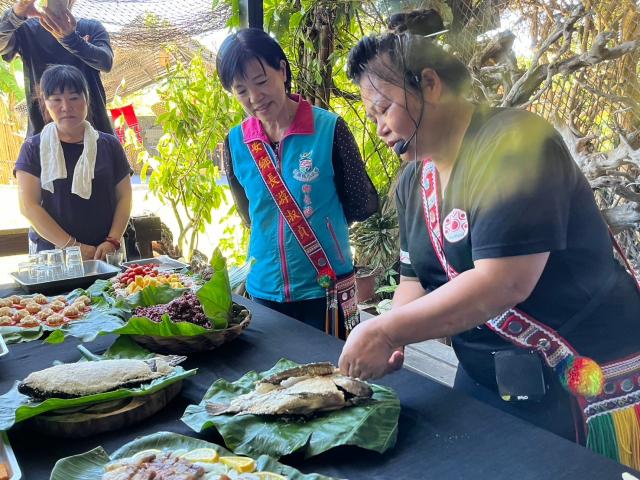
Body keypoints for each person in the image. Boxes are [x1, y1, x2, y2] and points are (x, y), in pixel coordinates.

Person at [338, 32, 640, 464]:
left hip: (576, 379)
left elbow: (504, 282)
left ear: (429, 84)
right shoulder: (412, 182)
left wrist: (385, 331)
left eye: (384, 108)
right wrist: (396, 337)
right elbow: (412, 280)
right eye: (372, 116)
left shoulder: (514, 143)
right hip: (484, 377)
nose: (380, 127)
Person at [217, 28, 378, 337]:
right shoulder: (234, 142)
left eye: (261, 82)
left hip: (325, 291)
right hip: (264, 291)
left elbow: (361, 203)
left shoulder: (329, 129)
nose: (255, 98)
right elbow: (250, 215)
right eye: (241, 90)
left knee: (333, 379)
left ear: (282, 69)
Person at [14, 64, 132, 260]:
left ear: (87, 100)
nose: (66, 107)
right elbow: (29, 206)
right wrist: (73, 247)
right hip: (54, 257)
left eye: (74, 98)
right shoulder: (32, 148)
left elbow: (124, 197)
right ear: (45, 102)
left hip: (105, 253)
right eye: (56, 99)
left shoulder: (109, 145)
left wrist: (112, 240)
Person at [0, 0, 114, 135]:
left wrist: (71, 39)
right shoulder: (27, 30)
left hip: (95, 132)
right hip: (42, 136)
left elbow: (106, 62)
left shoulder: (91, 27)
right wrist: (16, 14)